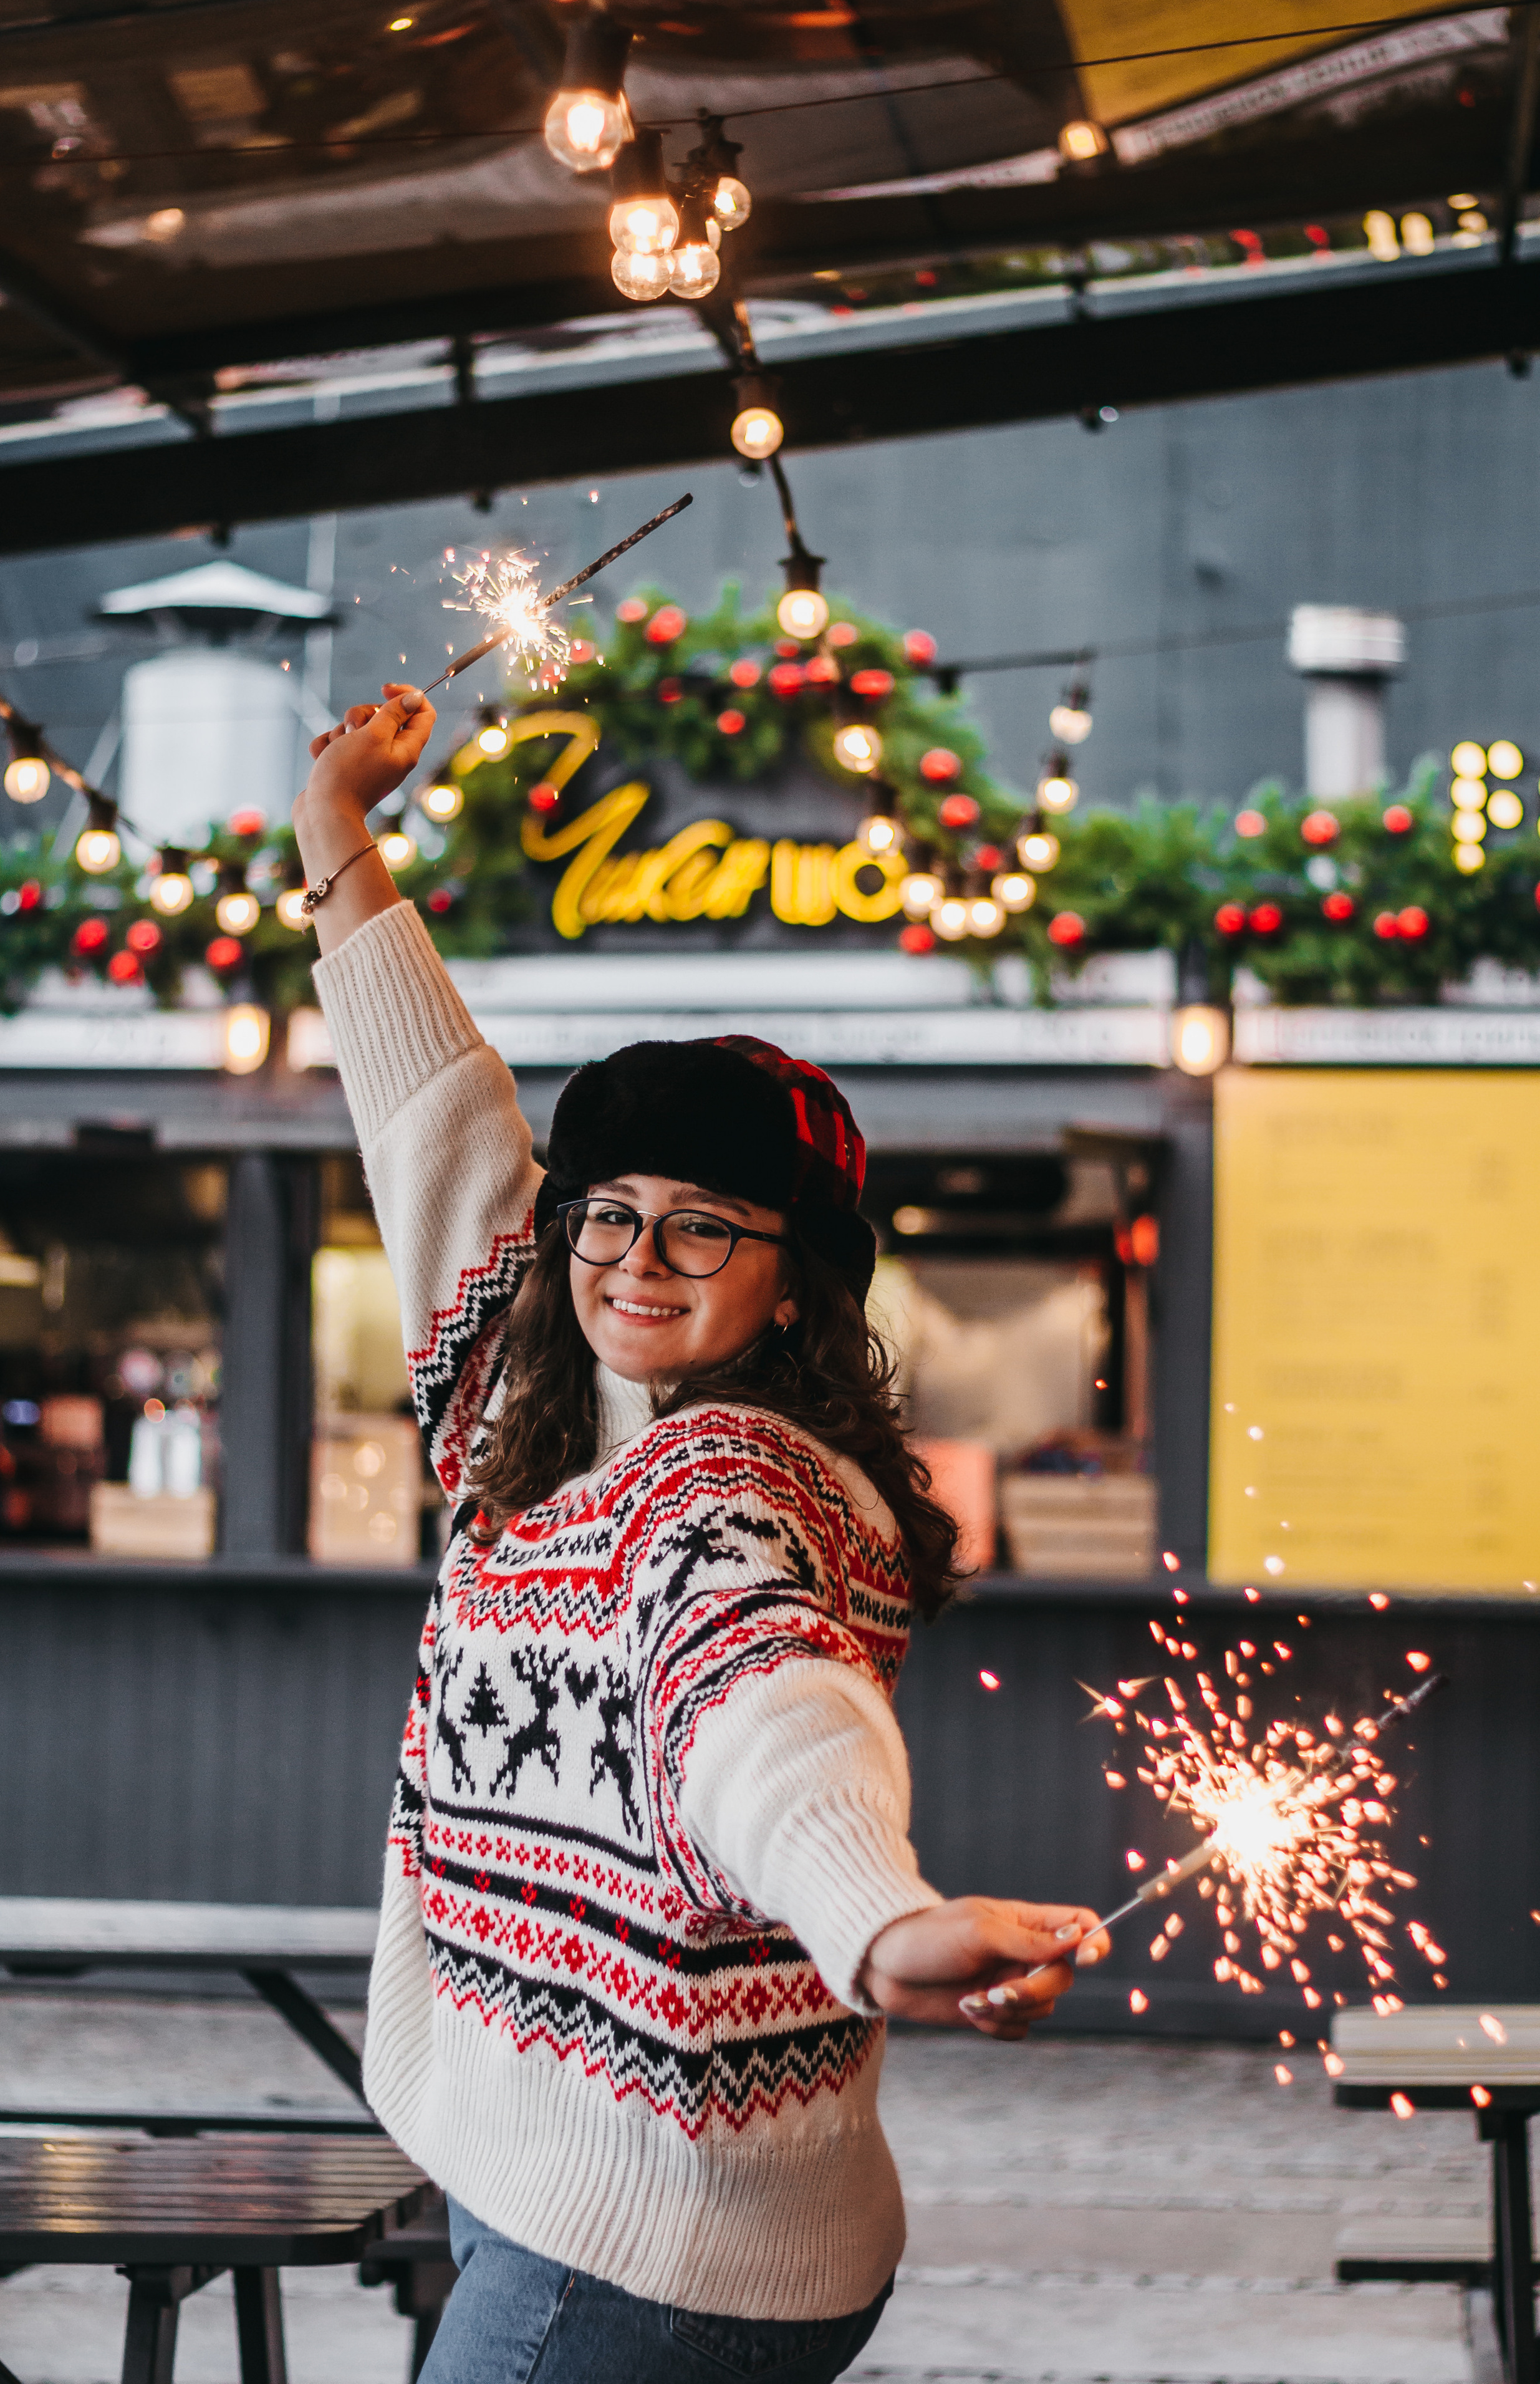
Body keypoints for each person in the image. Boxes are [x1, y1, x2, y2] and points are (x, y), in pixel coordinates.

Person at [294, 684, 1111, 2384]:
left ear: (794, 1274)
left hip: (646, 2240)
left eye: (701, 1228)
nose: (630, 1260)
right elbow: (441, 1134)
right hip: (592, 2182)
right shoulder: (558, 1417)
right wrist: (338, 849)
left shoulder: (729, 1482)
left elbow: (763, 1708)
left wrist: (880, 1920)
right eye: (605, 1213)